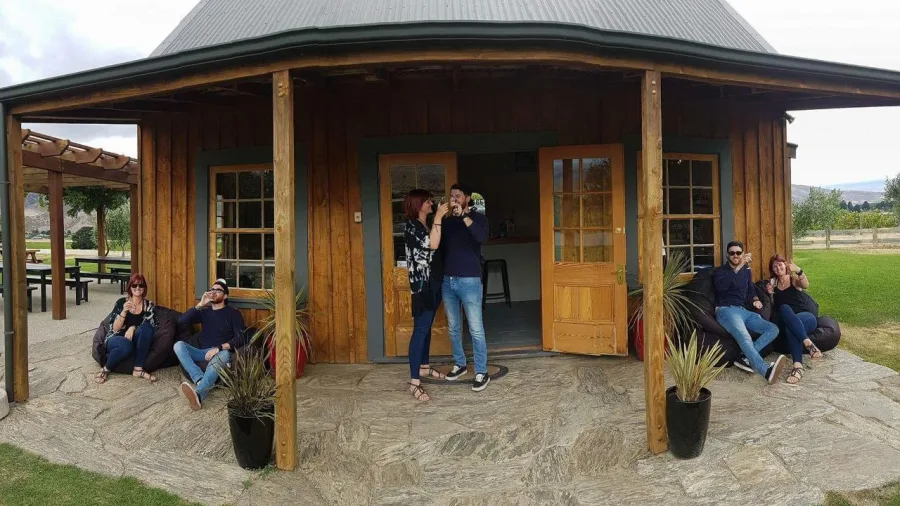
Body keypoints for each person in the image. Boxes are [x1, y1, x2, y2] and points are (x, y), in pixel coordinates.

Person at [713, 241, 787, 384]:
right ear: (727, 255)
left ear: (742, 253)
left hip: (743, 311)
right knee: (745, 337)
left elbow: (750, 288)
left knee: (772, 329)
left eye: (738, 253)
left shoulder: (746, 270)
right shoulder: (720, 272)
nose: (735, 255)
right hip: (726, 310)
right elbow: (722, 287)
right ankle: (766, 371)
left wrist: (755, 299)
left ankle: (744, 358)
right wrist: (741, 266)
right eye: (732, 253)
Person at [441, 183, 491, 392]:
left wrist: (464, 216)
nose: (454, 199)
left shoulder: (478, 218)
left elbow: (482, 237)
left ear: (467, 198)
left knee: (475, 328)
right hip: (448, 280)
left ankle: (481, 371)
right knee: (453, 327)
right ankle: (460, 364)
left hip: (469, 280)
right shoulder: (447, 221)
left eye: (458, 196)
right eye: (452, 196)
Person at [403, 189, 450, 401]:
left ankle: (423, 367)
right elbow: (433, 244)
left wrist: (439, 219)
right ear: (418, 204)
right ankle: (414, 382)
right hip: (423, 286)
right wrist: (439, 217)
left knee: (427, 328)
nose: (431, 203)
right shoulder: (412, 226)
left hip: (434, 282)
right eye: (428, 201)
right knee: (420, 330)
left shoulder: (422, 225)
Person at [175, 279, 247, 410]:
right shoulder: (204, 312)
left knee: (224, 355)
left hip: (221, 353)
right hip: (202, 353)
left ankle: (199, 394)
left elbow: (241, 338)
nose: (213, 292)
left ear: (225, 295)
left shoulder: (233, 313)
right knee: (178, 345)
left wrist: (218, 348)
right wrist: (201, 304)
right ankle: (199, 379)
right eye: (212, 290)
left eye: (218, 290)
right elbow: (182, 321)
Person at [766, 254, 822, 385]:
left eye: (780, 264)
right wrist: (769, 294)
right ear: (773, 270)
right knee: (787, 317)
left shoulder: (794, 279)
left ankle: (800, 362)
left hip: (807, 318)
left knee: (788, 317)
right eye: (775, 266)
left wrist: (799, 270)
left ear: (785, 265)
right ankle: (799, 364)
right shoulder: (773, 284)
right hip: (791, 323)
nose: (778, 267)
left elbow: (806, 284)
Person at [95, 273, 159, 384]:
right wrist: (124, 311)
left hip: (135, 340)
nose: (137, 288)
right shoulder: (121, 303)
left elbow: (151, 327)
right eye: (134, 286)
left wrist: (133, 327)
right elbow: (114, 329)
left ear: (144, 288)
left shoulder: (149, 305)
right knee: (126, 346)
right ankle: (105, 369)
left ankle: (138, 369)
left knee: (146, 328)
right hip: (116, 338)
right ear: (130, 287)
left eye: (141, 285)